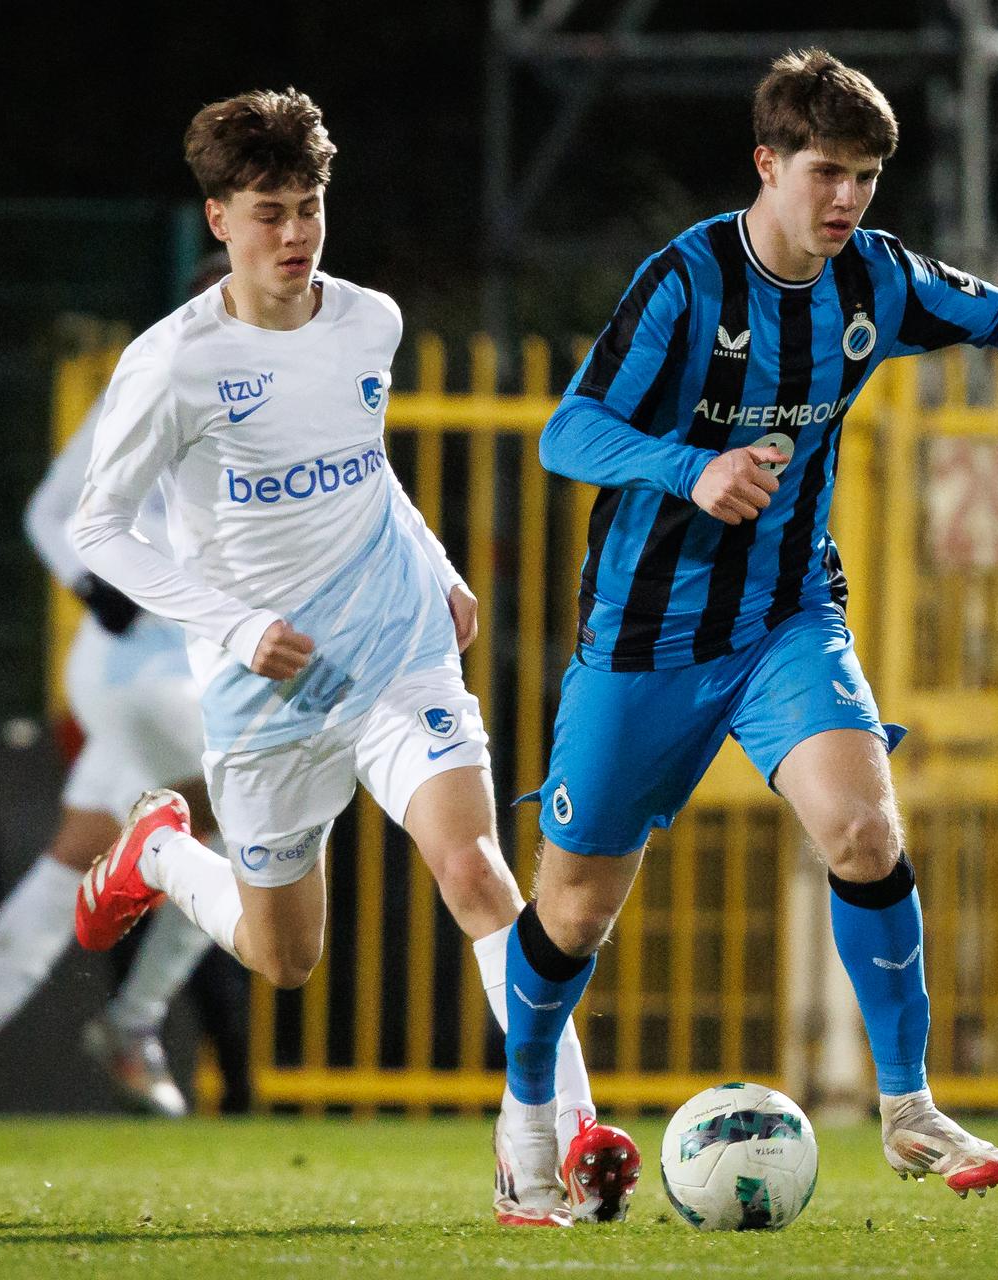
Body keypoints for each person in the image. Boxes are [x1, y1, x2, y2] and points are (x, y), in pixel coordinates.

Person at [501, 49, 998, 1203]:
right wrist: (691, 468)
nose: (846, 198)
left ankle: (907, 1105)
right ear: (767, 164)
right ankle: (527, 1113)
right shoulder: (687, 282)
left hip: (786, 617)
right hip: (644, 639)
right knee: (576, 908)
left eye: (866, 177)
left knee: (863, 829)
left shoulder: (876, 282)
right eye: (826, 173)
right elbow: (568, 431)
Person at [66, 88, 636, 1226]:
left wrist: (435, 563)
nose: (296, 234)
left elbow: (363, 465)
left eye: (310, 207)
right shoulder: (173, 364)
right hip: (269, 687)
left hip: (392, 649)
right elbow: (99, 530)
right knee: (284, 958)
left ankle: (555, 1137)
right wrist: (236, 626)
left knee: (477, 870)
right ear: (220, 219)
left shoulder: (368, 321)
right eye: (269, 212)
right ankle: (160, 853)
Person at [0, 257, 236, 1151]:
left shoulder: (266, 396)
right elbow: (52, 512)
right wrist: (94, 586)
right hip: (146, 673)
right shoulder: (160, 384)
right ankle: (132, 1020)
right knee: (271, 811)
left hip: (156, 678)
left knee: (72, 857)